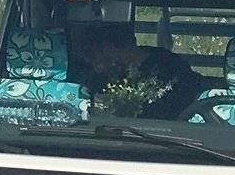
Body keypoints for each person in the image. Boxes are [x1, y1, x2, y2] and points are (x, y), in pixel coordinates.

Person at [68, 21, 202, 119]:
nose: (92, 63)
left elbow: (188, 108)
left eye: (92, 55)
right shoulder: (102, 79)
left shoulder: (172, 67)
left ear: (109, 48)